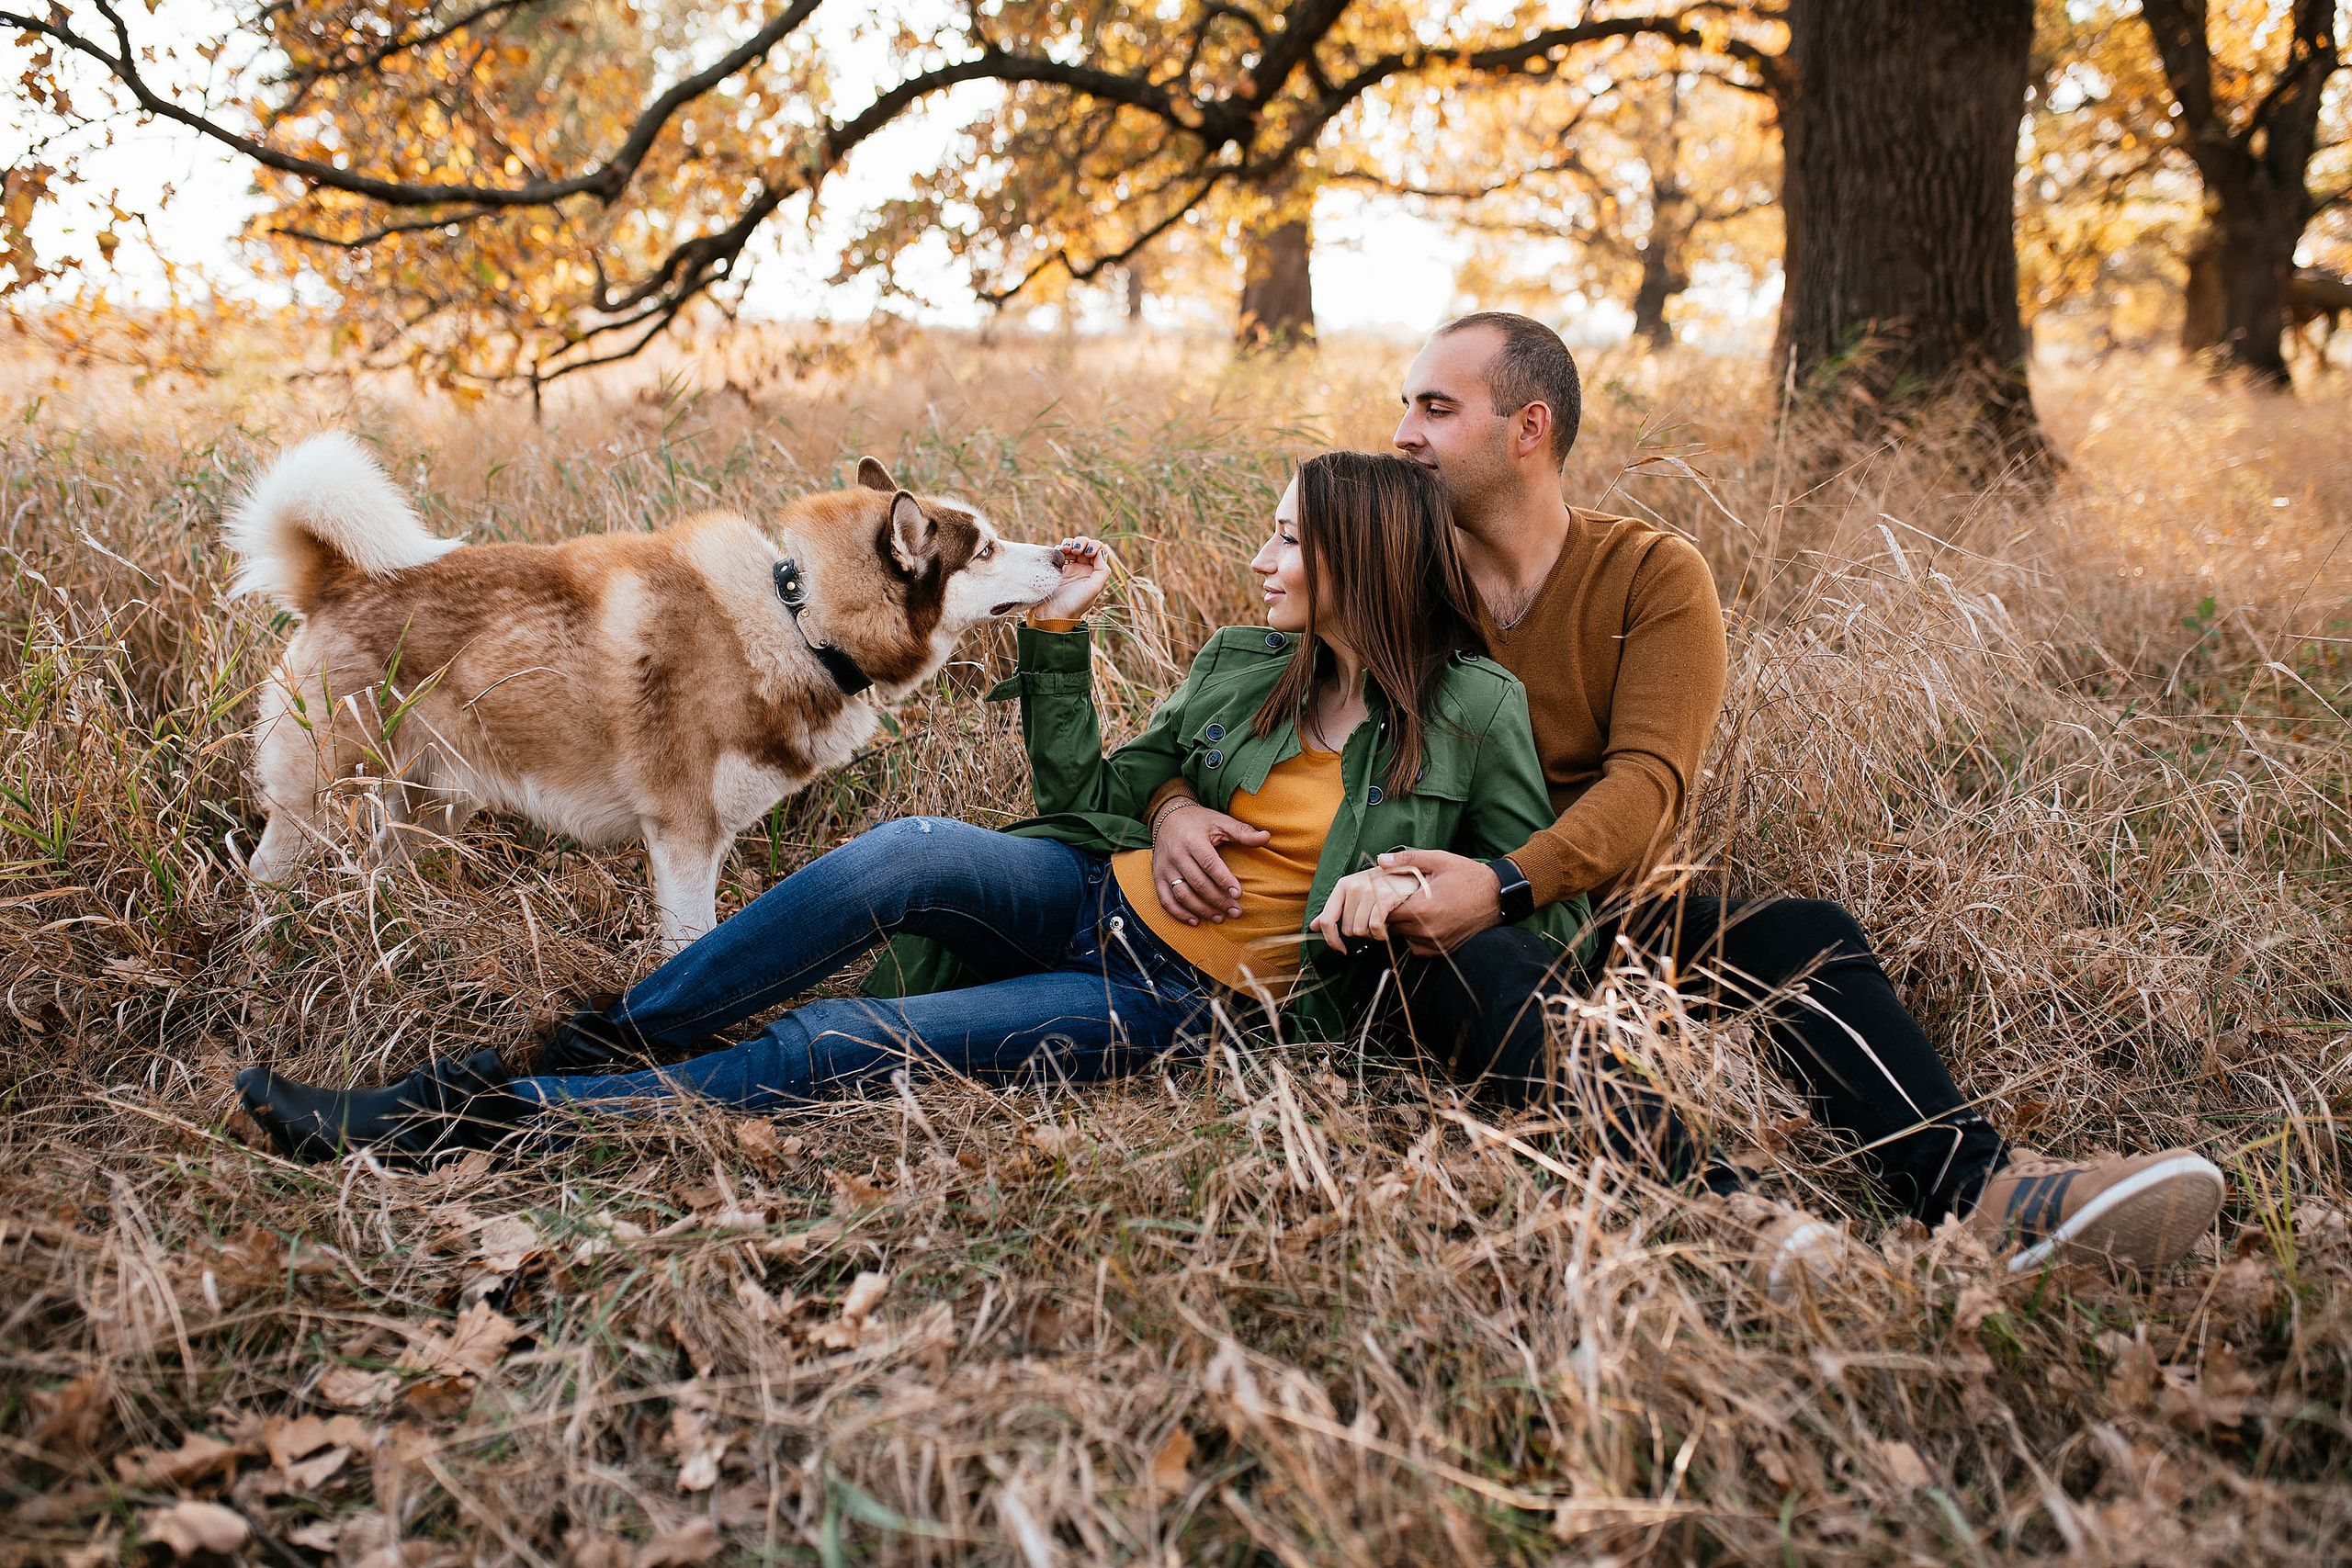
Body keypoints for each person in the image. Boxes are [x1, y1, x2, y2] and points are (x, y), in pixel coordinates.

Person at [237, 451, 1699, 1169]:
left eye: (1284, 540)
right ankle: (616, 1029)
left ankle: (489, 1118)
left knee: (850, 1043)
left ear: (1363, 565)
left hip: (1187, 1001)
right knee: (899, 854)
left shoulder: (1478, 717)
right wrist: (1136, 744)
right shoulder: (1251, 666)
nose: (1258, 560)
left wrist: (1419, 902)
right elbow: (1085, 797)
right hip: (1097, 896)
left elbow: (1532, 890)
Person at [1146, 313, 2226, 1279]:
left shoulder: (1650, 577)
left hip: (1566, 901)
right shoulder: (1395, 571)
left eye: (1435, 407)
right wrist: (1172, 809)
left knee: (1803, 934)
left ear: (1528, 429)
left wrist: (1510, 881)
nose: (1402, 436)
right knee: (1462, 947)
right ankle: (1735, 1222)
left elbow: (1649, 786)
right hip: (1408, 923)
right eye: (1403, 407)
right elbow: (1241, 719)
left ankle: (1981, 1193)